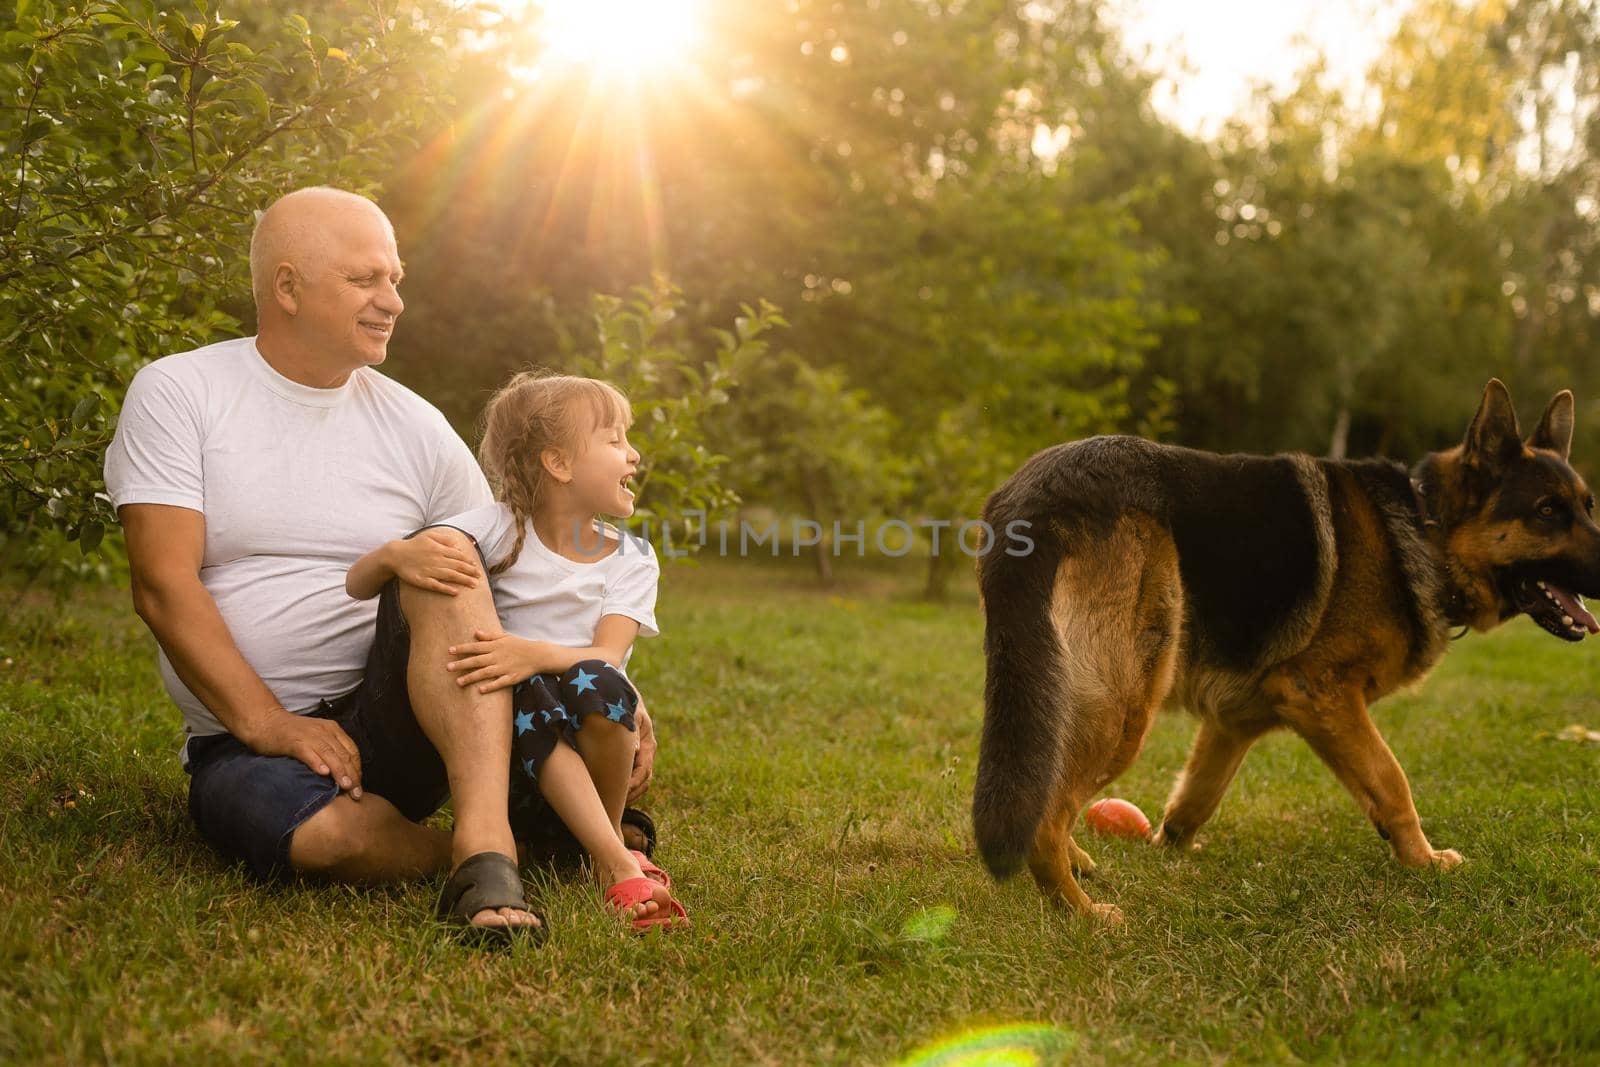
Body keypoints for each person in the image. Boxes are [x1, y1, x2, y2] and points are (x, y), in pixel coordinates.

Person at [103, 187, 656, 941]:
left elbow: (513, 566)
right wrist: (270, 723)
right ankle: (528, 845)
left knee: (445, 555)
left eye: (396, 279)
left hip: (408, 719)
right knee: (324, 840)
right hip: (246, 737)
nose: (391, 300)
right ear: (288, 287)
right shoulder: (181, 392)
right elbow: (161, 584)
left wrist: (609, 686)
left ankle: (485, 851)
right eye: (366, 279)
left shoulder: (414, 423)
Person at [347, 372, 688, 930]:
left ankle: (600, 836)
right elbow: (359, 585)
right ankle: (612, 859)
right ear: (558, 463)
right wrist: (393, 556)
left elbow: (605, 655)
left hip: (599, 749)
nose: (634, 453)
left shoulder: (632, 557)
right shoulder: (494, 529)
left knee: (598, 685)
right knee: (526, 691)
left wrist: (527, 651)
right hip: (512, 761)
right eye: (614, 440)